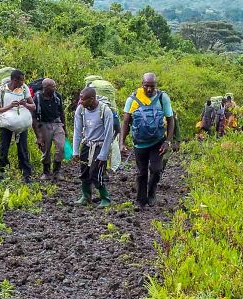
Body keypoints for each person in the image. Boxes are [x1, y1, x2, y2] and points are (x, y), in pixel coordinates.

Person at [121, 73, 174, 207]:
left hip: (158, 142)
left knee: (156, 169)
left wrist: (168, 141)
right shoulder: (133, 99)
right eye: (146, 86)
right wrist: (121, 142)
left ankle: (151, 193)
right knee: (142, 172)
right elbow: (126, 122)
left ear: (156, 85)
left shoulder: (163, 98)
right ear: (142, 84)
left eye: (152, 86)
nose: (149, 89)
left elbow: (170, 120)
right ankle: (140, 200)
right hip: (139, 144)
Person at [73, 87, 114, 207]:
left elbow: (108, 135)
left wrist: (103, 154)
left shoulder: (105, 111)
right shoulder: (81, 109)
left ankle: (105, 198)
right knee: (84, 172)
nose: (80, 102)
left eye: (83, 99)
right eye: (80, 99)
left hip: (100, 145)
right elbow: (77, 130)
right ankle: (86, 196)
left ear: (92, 99)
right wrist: (75, 151)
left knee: (96, 172)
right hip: (87, 143)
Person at [0, 69, 35, 183]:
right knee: (4, 149)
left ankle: (26, 176)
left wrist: (25, 103)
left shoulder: (24, 89)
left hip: (21, 123)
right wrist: (9, 106)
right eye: (21, 80)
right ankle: (2, 174)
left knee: (23, 149)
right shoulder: (0, 90)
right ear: (14, 80)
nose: (23, 82)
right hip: (6, 124)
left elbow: (33, 106)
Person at [32, 78, 66, 181]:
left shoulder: (57, 97)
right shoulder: (37, 98)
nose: (54, 89)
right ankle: (46, 172)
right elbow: (34, 117)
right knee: (45, 149)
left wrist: (65, 128)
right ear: (45, 88)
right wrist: (38, 136)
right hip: (44, 124)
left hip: (57, 123)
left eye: (54, 87)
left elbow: (61, 112)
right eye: (52, 87)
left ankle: (57, 171)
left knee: (61, 147)